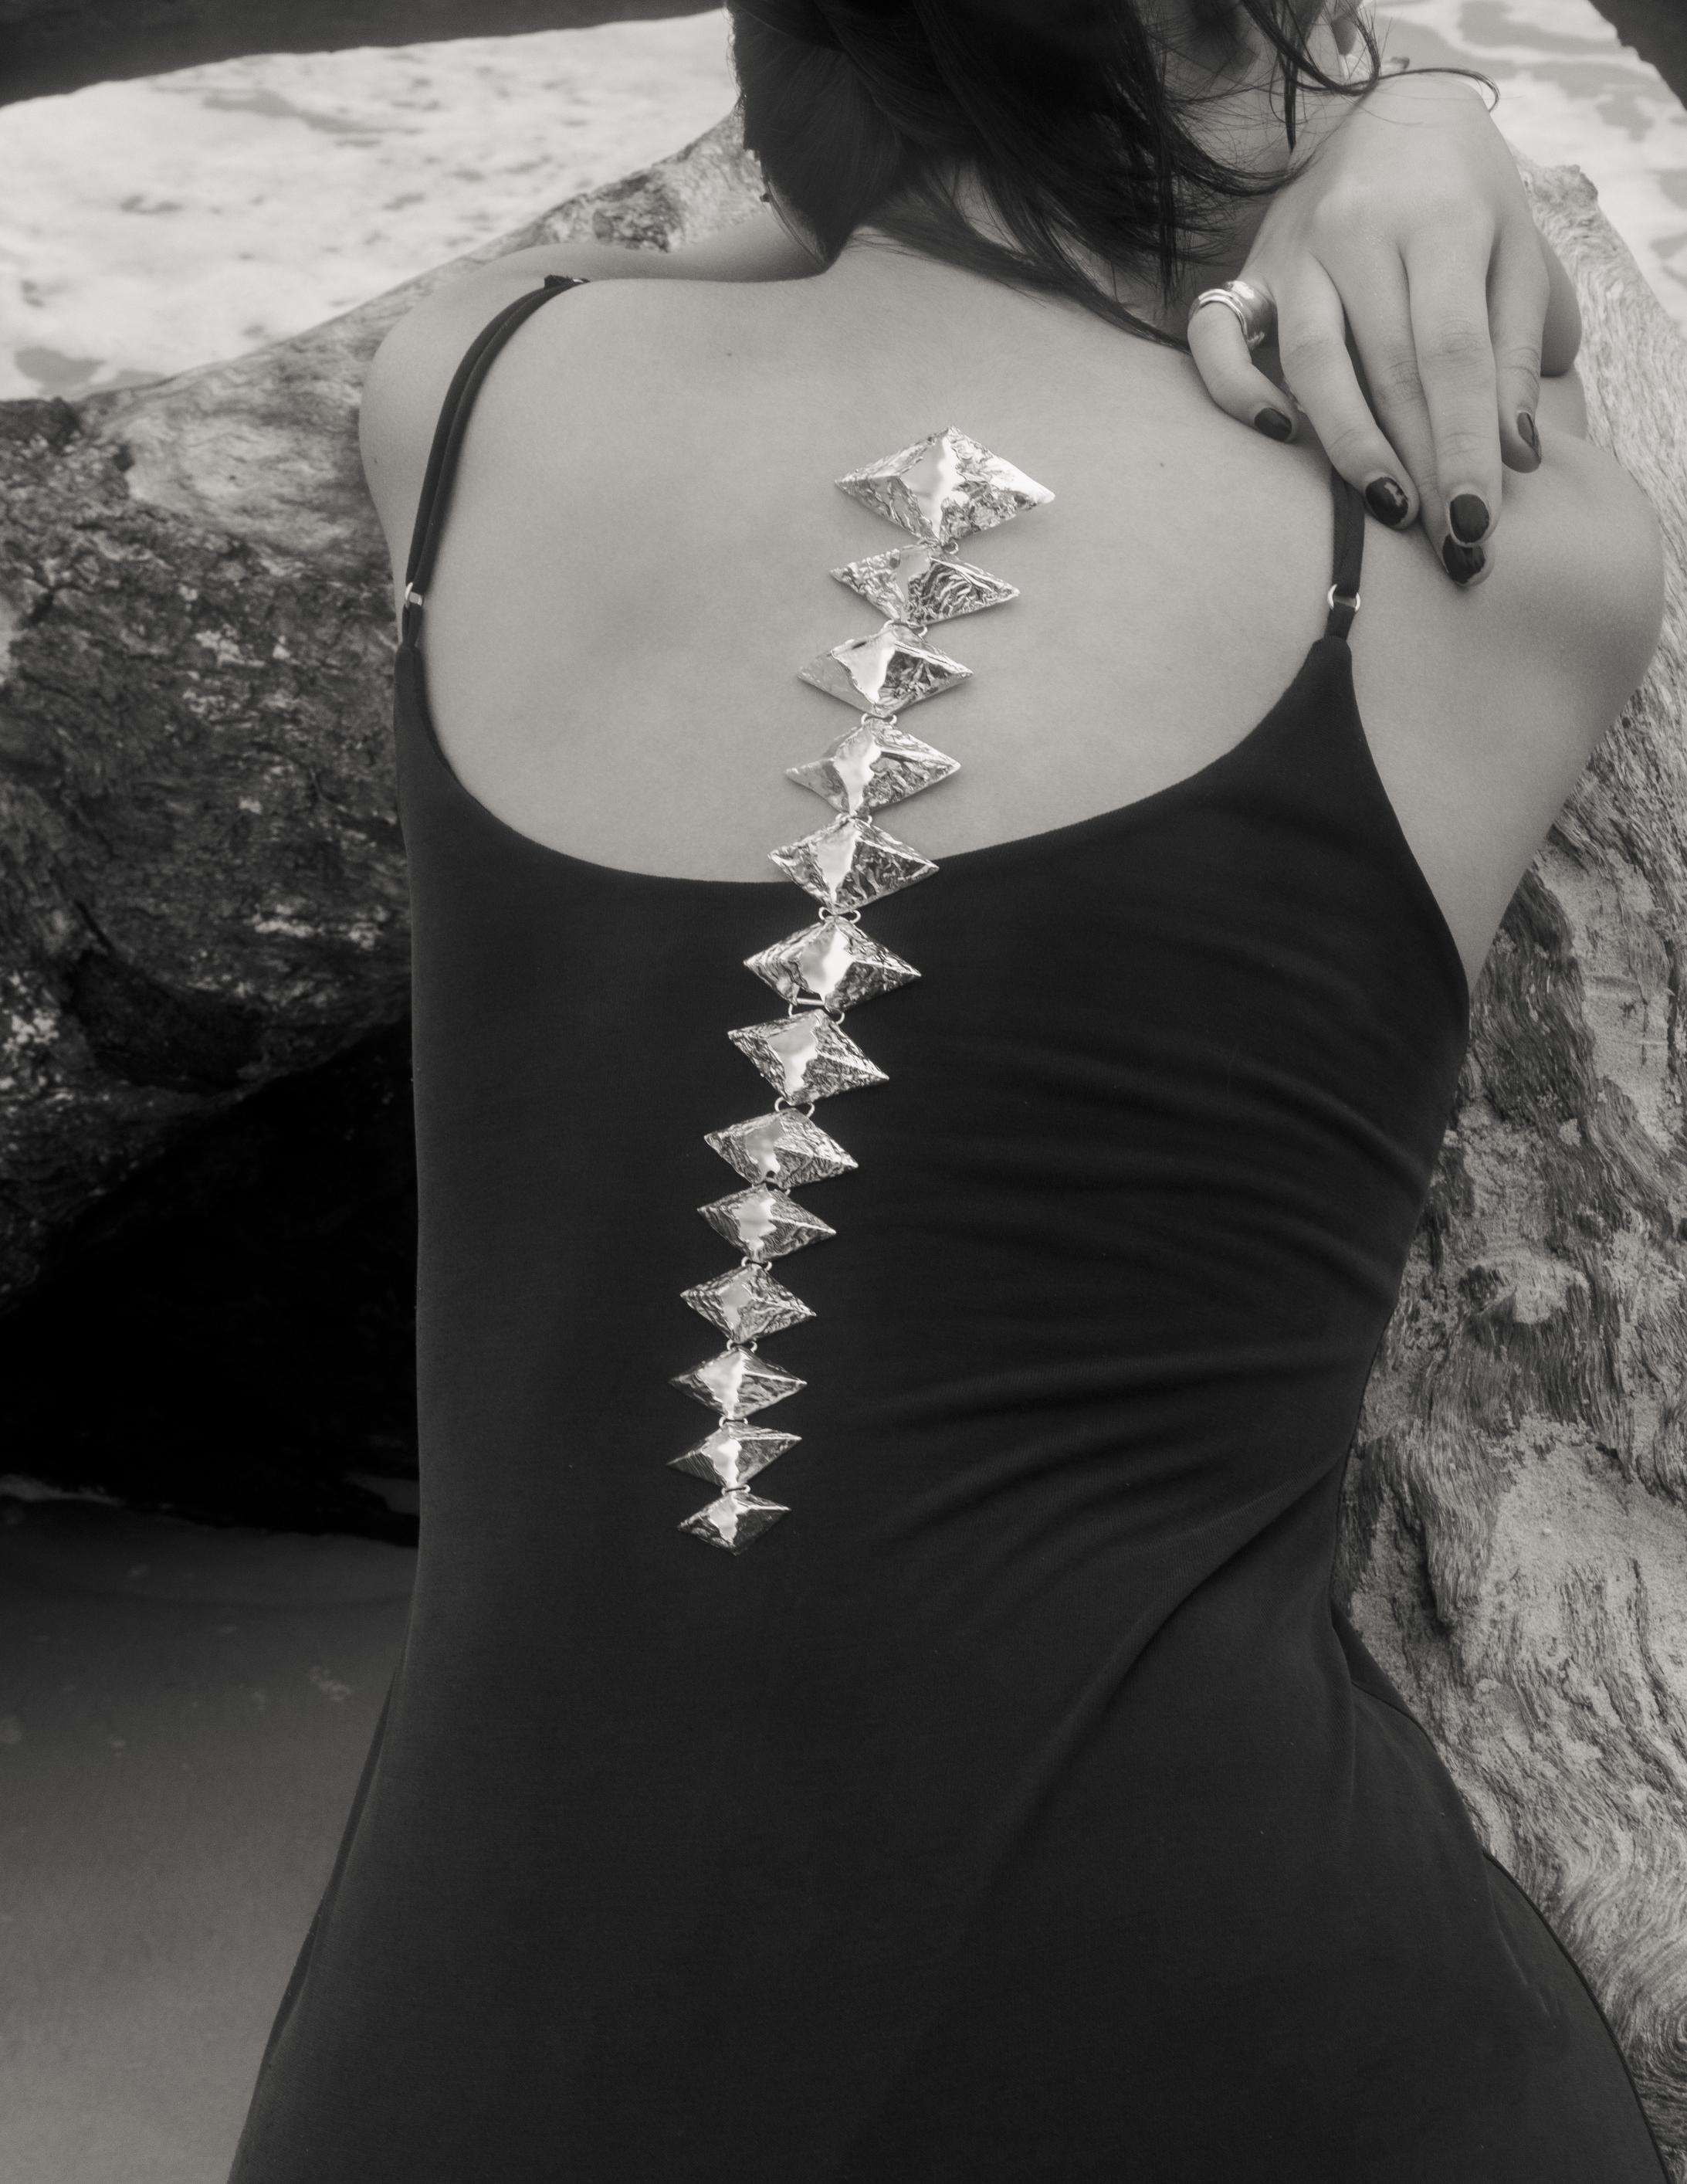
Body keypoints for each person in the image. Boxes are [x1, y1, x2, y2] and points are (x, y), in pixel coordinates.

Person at [228, 0, 1667, 2176]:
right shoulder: (1491, 558)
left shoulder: (478, 382)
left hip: (471, 2063)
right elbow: (1485, 330)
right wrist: (1419, 108)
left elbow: (732, 228)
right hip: (1257, 2055)